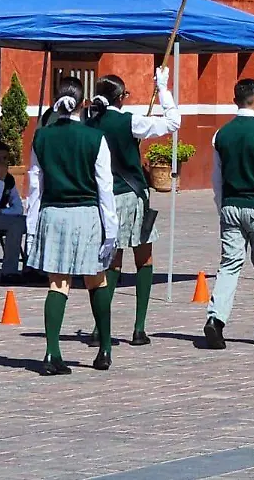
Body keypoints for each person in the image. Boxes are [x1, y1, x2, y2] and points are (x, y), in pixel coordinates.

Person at [26, 76, 118, 375]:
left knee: (58, 285)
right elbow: (105, 187)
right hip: (87, 214)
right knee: (97, 280)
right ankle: (104, 348)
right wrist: (112, 229)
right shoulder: (94, 138)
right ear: (82, 103)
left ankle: (52, 352)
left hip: (52, 213)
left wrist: (30, 227)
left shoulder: (41, 136)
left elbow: (34, 186)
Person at [85, 67, 181, 347]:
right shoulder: (131, 122)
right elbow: (174, 123)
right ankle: (139, 328)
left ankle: (98, 327)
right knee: (143, 259)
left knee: (110, 262)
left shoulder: (89, 124)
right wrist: (163, 89)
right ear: (121, 98)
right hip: (131, 193)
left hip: (102, 197)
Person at [203, 79, 254, 350]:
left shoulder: (221, 134)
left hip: (230, 205)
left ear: (235, 99)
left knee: (229, 265)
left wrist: (221, 206)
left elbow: (216, 178)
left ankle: (216, 319)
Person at [0, 140, 29, 284]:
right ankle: (9, 272)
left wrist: (1, 212)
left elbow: (18, 207)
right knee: (15, 225)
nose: (2, 162)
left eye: (5, 158)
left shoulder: (9, 179)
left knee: (31, 222)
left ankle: (32, 268)